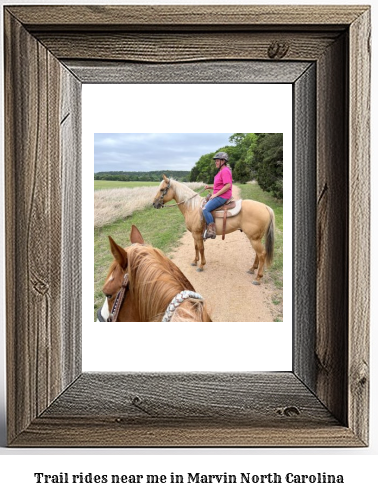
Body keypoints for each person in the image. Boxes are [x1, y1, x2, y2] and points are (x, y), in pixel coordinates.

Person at [202, 152, 233, 240]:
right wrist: (210, 187)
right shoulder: (221, 171)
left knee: (205, 209)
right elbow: (219, 185)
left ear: (223, 161)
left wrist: (215, 194)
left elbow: (227, 185)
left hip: (223, 196)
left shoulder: (225, 171)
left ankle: (212, 230)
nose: (216, 162)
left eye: (217, 160)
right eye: (215, 160)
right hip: (220, 194)